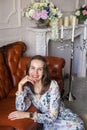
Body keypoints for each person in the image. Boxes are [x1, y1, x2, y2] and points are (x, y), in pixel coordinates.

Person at [8, 55, 85, 130]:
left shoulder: (53, 85)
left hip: (62, 117)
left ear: (44, 72)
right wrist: (20, 85)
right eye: (33, 68)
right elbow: (20, 108)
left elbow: (52, 117)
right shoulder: (27, 89)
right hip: (46, 121)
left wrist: (27, 115)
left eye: (40, 69)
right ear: (28, 70)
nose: (35, 72)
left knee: (78, 126)